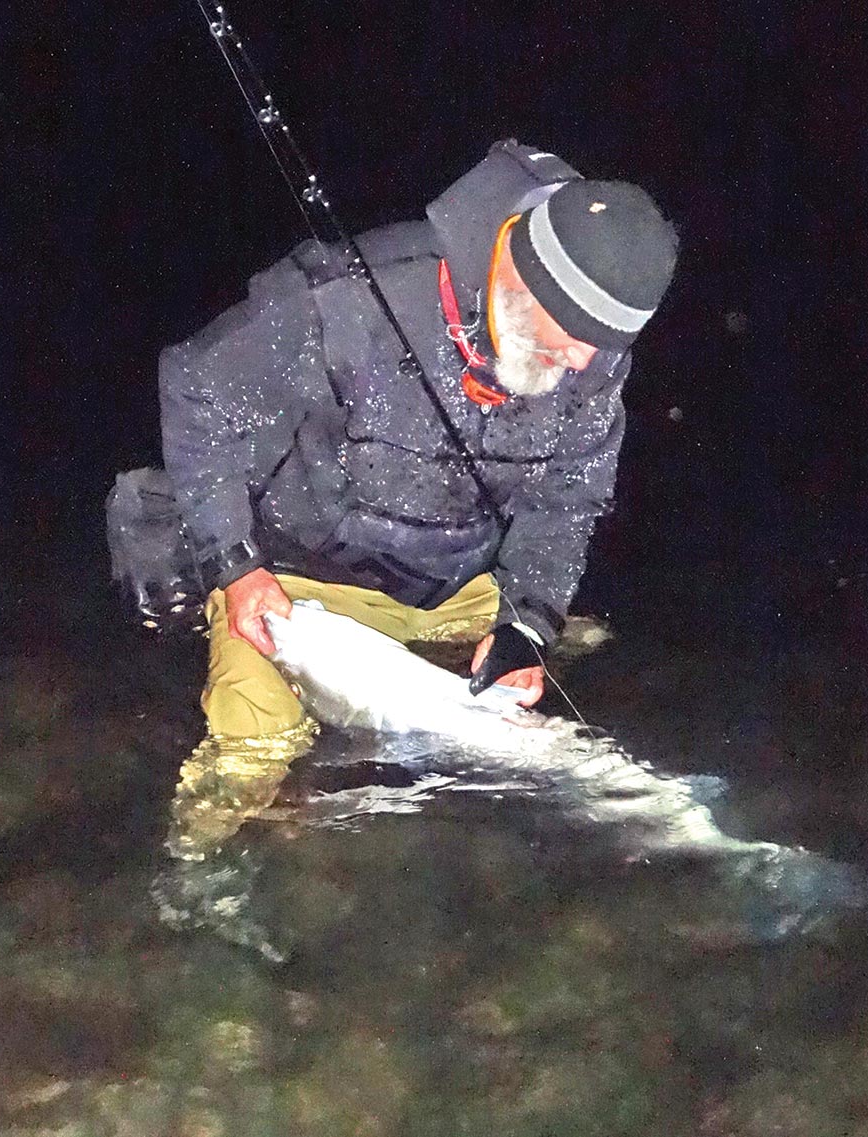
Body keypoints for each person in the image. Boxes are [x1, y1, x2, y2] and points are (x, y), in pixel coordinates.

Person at [155, 140, 678, 858]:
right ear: (522, 280)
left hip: (453, 585)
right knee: (254, 743)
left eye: (604, 347)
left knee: (560, 675)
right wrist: (234, 563)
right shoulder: (346, 301)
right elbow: (197, 387)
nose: (585, 364)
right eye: (571, 340)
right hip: (291, 583)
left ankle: (695, 837)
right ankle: (195, 882)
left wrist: (527, 621)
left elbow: (568, 498)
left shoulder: (593, 357)